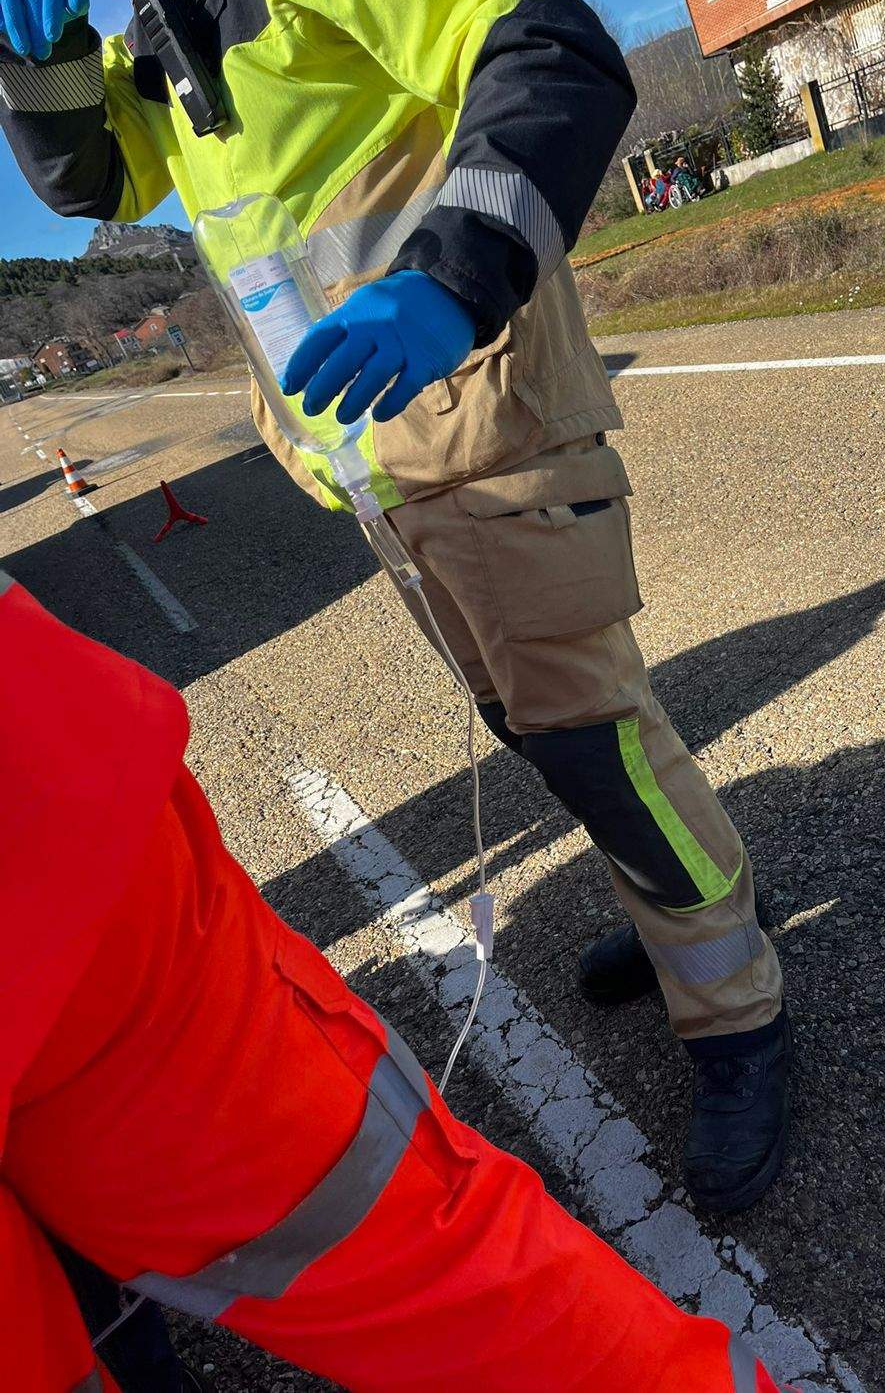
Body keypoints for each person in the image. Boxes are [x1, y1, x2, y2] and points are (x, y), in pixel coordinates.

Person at [0, 0, 789, 1211]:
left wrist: (454, 270)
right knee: (538, 730)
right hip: (380, 462)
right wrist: (42, 71)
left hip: (487, 412)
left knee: (603, 739)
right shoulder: (154, 1)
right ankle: (676, 935)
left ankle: (736, 1012)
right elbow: (110, 184)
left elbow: (550, 49)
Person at [0, 570, 785, 1393]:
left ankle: (734, 1009)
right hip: (55, 799)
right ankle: (696, 952)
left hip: (55, 860)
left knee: (596, 745)